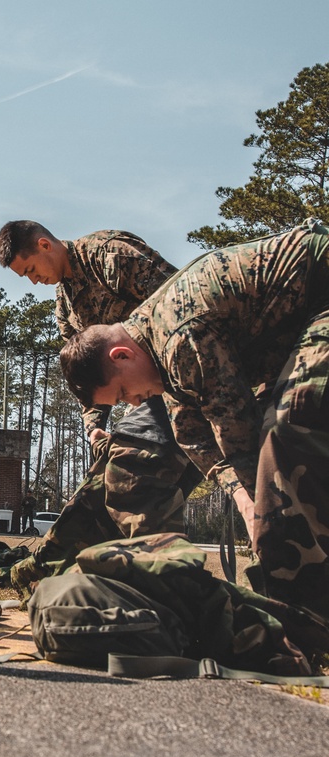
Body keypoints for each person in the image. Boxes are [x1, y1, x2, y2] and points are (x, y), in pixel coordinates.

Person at [59, 222, 329, 617]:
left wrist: (265, 517)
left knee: (288, 430)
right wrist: (246, 504)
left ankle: (306, 613)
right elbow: (197, 439)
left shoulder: (179, 340)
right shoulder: (159, 361)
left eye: (122, 394)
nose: (133, 403)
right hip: (295, 323)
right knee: (271, 472)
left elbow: (238, 430)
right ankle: (301, 609)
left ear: (121, 355)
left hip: (321, 287)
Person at [0, 220, 200, 577]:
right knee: (100, 482)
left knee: (136, 473)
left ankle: (168, 579)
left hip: (183, 377)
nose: (33, 281)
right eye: (24, 277)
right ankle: (58, 566)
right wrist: (94, 428)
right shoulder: (65, 307)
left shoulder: (109, 255)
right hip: (144, 395)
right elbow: (86, 376)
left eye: (30, 270)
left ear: (45, 245)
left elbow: (180, 306)